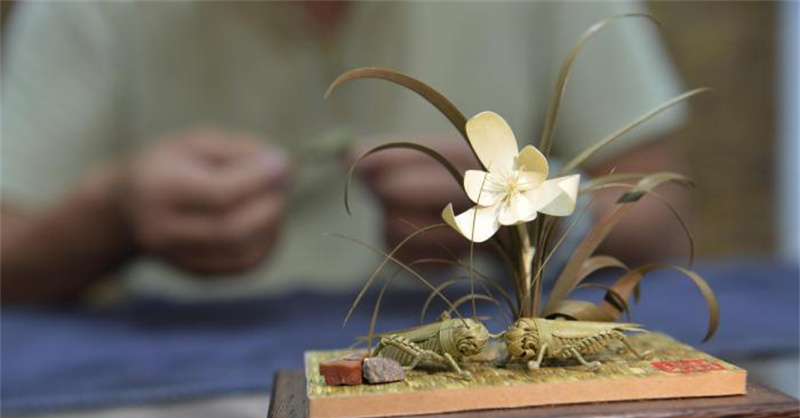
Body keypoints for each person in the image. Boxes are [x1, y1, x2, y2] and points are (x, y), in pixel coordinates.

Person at [1, 1, 689, 303]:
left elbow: (659, 213)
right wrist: (110, 218)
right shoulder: (83, 11)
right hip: (159, 399)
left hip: (475, 371)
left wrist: (522, 210)